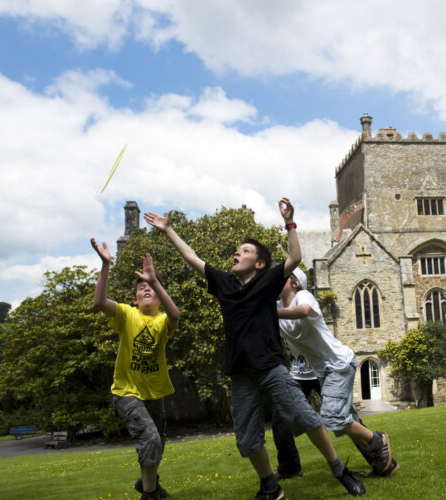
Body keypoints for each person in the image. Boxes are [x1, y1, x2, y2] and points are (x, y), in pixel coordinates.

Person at [145, 198, 365, 500]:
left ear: (259, 264)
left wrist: (289, 222)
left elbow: (295, 257)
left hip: (272, 367)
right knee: (248, 439)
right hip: (240, 375)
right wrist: (168, 230)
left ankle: (340, 469)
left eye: (245, 251)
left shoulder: (266, 282)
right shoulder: (223, 283)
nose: (238, 252)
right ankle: (270, 486)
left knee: (307, 418)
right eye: (238, 250)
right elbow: (192, 257)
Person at [272, 268, 400, 479]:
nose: (275, 280)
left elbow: (304, 311)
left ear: (295, 283)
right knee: (282, 417)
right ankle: (290, 467)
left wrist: (271, 312)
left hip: (333, 366)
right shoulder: (275, 306)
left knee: (341, 418)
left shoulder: (304, 296)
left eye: (281, 277)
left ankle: (380, 454)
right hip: (303, 372)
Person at [91, 239, 180, 500]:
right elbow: (99, 302)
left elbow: (175, 314)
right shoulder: (127, 315)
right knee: (150, 438)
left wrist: (155, 281)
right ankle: (149, 495)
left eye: (151, 287)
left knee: (157, 442)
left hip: (154, 393)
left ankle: (147, 483)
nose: (147, 290)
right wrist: (106, 265)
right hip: (126, 392)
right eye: (142, 288)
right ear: (135, 298)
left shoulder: (164, 321)